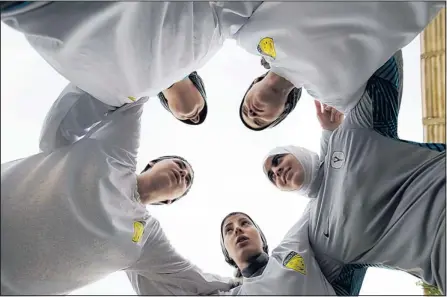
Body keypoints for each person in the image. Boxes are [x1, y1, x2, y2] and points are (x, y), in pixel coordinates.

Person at [0, 84, 237, 295]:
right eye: (180, 165)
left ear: (169, 201)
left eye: (187, 182)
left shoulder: (146, 238)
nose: (183, 175)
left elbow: (192, 279)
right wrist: (173, 80)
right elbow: (134, 84)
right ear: (152, 164)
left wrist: (259, 282)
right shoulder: (117, 152)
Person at [1, 1, 442, 112]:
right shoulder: (233, 34)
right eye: (260, 115)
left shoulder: (245, 34)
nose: (255, 110)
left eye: (250, 116)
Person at [262, 53, 446, 293]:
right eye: (271, 176)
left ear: (296, 152)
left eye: (277, 160)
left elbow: (382, 56)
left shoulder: (351, 134)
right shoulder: (317, 239)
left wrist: (290, 62)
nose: (277, 171)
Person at [235, 2, 444, 130]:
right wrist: (332, 131)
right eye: (260, 122)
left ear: (253, 83)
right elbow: (379, 124)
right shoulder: (333, 94)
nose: (252, 114)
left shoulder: (248, 37)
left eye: (244, 109)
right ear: (284, 111)